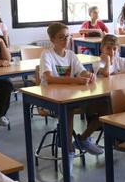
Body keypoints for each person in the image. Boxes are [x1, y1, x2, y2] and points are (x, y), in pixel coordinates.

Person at [38, 22, 105, 156]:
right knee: (68, 108)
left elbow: (81, 71)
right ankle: (68, 151)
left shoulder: (71, 54)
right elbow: (49, 78)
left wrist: (88, 74)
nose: (66, 40)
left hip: (69, 96)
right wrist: (75, 80)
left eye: (68, 36)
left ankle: (84, 138)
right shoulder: (47, 54)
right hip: (50, 99)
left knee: (103, 105)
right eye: (61, 37)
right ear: (52, 40)